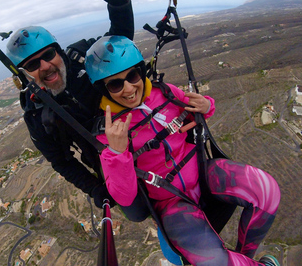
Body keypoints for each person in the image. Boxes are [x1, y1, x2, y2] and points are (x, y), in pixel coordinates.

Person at [84, 35, 282, 266]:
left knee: (267, 192)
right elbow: (125, 196)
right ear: (104, 89)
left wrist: (207, 105)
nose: (128, 88)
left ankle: (245, 259)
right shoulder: (108, 132)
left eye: (133, 76)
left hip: (202, 172)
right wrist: (117, 154)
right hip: (170, 201)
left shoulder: (163, 93)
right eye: (115, 84)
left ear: (141, 71)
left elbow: (194, 109)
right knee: (213, 263)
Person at [4, 0, 135, 209]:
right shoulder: (37, 114)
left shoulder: (83, 57)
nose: (45, 66)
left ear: (58, 50)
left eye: (48, 55)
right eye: (33, 65)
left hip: (142, 133)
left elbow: (121, 41)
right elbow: (61, 161)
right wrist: (95, 187)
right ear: (24, 75)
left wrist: (119, 4)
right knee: (136, 210)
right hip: (111, 164)